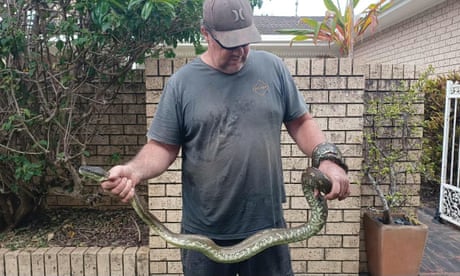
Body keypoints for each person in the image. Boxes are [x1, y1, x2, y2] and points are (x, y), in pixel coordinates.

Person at [101, 0, 350, 275]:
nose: (241, 52)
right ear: (205, 33)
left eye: (246, 41)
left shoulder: (273, 68)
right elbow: (161, 147)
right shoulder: (181, 85)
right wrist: (133, 171)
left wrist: (327, 158)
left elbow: (301, 121)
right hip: (204, 236)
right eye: (231, 43)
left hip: (268, 227)